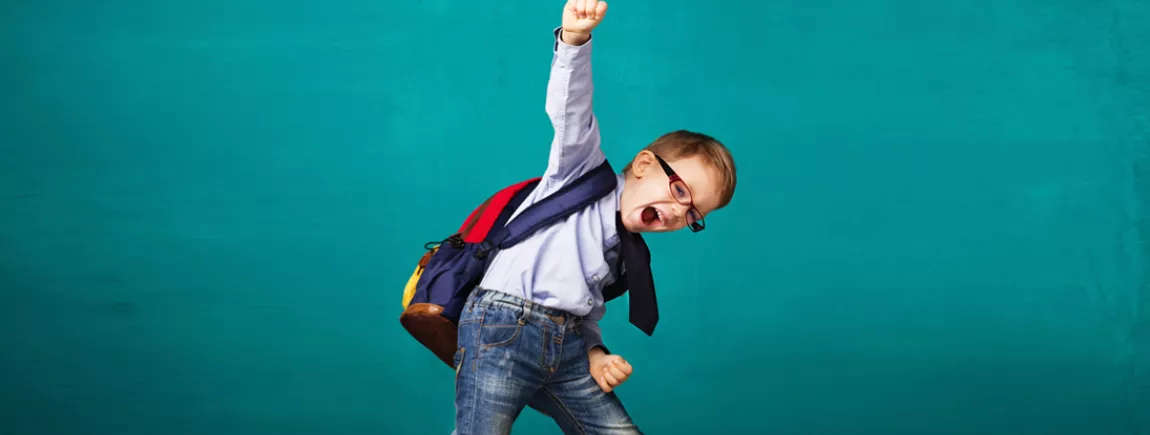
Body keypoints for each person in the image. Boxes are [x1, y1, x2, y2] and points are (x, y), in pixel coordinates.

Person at [452, 0, 738, 433]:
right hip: (503, 329)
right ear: (644, 165)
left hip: (567, 348)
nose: (680, 210)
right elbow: (570, 110)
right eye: (680, 191)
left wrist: (597, 355)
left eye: (693, 214)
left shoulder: (628, 256)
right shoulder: (580, 172)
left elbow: (586, 314)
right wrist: (575, 41)